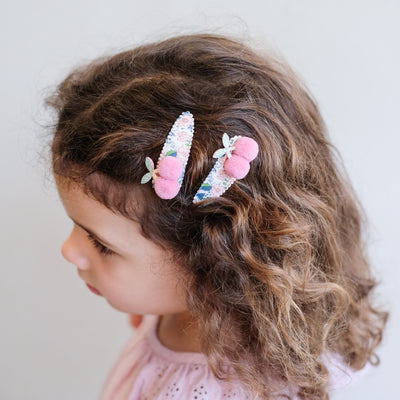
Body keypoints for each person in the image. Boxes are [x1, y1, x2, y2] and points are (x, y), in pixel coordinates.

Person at [45, 33, 388, 399]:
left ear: (210, 260)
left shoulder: (233, 390)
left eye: (101, 244)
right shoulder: (181, 305)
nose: (69, 249)